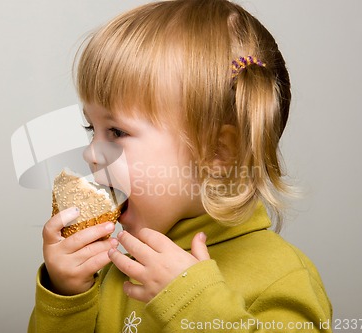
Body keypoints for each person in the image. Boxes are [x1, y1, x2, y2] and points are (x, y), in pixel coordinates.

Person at [28, 0, 332, 332]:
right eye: (92, 129)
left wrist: (193, 305)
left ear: (218, 152)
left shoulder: (281, 276)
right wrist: (68, 295)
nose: (90, 153)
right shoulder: (120, 263)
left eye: (116, 131)